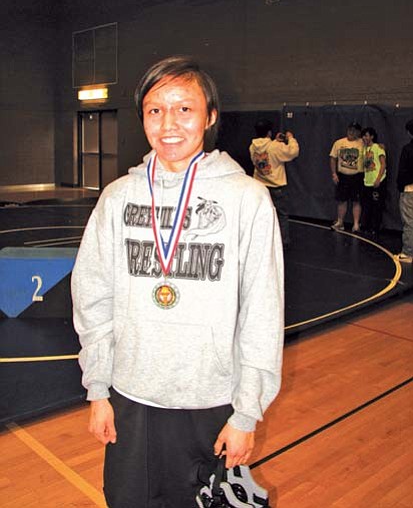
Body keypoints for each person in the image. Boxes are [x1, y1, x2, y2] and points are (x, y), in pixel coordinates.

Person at [71, 56, 284, 507]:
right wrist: (97, 389)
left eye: (184, 108)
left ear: (209, 117)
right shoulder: (118, 198)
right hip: (131, 397)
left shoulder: (247, 198)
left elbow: (262, 311)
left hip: (210, 399)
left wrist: (246, 413)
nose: (168, 123)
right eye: (154, 110)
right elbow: (92, 299)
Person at [249, 119, 299, 248]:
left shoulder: (252, 147)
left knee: (261, 215)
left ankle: (261, 241)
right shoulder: (275, 146)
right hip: (277, 187)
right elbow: (293, 152)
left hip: (260, 187)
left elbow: (267, 152)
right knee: (281, 215)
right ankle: (283, 242)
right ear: (269, 133)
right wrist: (291, 138)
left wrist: (276, 141)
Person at [329, 122, 364, 232]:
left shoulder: (362, 143)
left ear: (358, 132)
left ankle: (356, 224)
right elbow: (333, 158)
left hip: (357, 176)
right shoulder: (339, 143)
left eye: (354, 130)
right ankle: (340, 222)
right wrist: (334, 173)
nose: (351, 132)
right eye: (350, 129)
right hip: (343, 176)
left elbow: (373, 148)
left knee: (356, 201)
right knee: (342, 200)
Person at [361, 127, 387, 239]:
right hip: (367, 181)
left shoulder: (378, 148)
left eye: (367, 135)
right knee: (367, 205)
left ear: (372, 136)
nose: (365, 138)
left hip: (377, 181)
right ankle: (366, 226)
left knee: (377, 206)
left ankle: (375, 228)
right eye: (364, 136)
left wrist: (378, 179)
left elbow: (383, 164)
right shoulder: (364, 149)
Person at [396, 118, 413, 263]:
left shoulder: (408, 149)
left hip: (410, 189)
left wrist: (400, 186)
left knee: (409, 221)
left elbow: (403, 171)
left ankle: (408, 252)